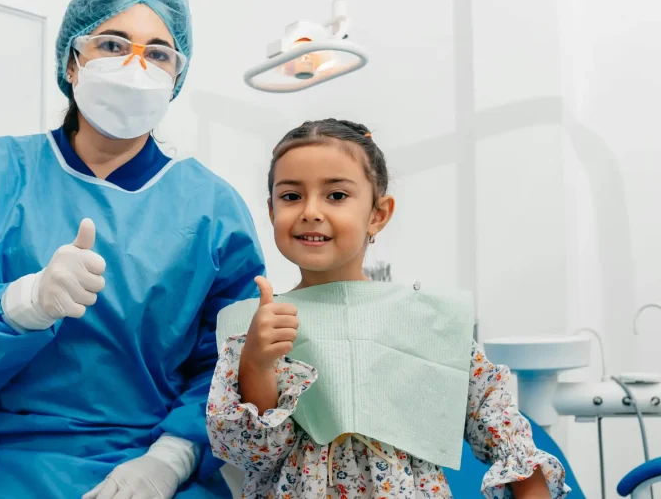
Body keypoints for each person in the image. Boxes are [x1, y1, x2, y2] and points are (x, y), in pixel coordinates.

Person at [0, 0, 264, 497]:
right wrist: (23, 304)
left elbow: (231, 363)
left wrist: (171, 459)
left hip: (150, 457)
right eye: (111, 45)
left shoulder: (214, 208)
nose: (134, 67)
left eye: (157, 53)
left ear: (177, 77)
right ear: (71, 62)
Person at [205, 118, 570, 498]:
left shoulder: (425, 322)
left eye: (336, 195)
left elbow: (497, 423)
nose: (310, 210)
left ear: (378, 214)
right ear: (271, 211)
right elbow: (253, 453)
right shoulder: (257, 328)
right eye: (291, 196)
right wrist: (257, 363)